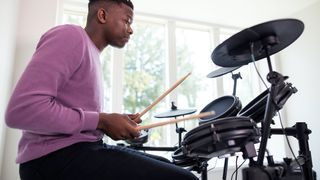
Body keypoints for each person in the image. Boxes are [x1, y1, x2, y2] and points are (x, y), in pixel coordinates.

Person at [5, 0, 199, 180]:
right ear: (103, 15)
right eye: (127, 20)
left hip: (82, 151)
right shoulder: (71, 36)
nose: (131, 30)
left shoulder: (92, 53)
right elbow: (22, 110)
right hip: (53, 160)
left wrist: (112, 121)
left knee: (173, 168)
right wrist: (102, 121)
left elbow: (81, 116)